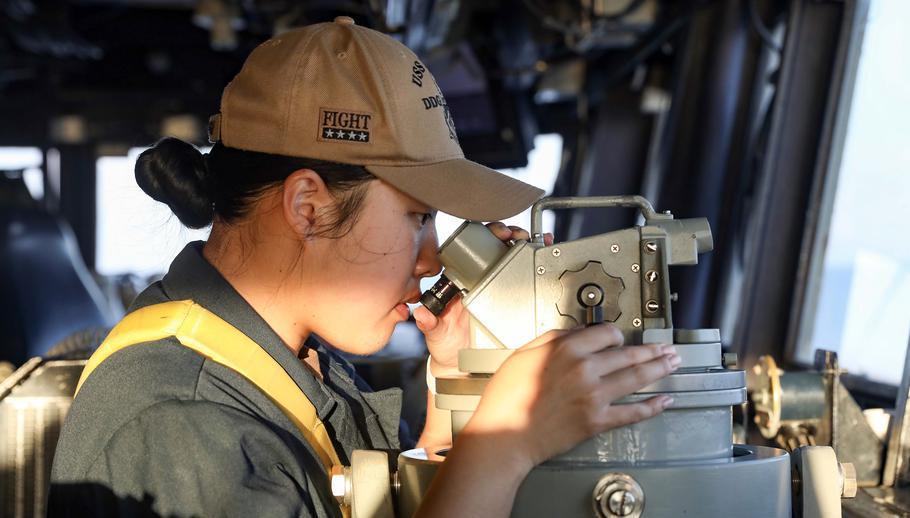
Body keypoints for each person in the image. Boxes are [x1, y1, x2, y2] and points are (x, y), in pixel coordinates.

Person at [48, 16, 680, 518]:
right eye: (416, 217)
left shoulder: (287, 360)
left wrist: (455, 391)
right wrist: (504, 444)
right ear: (308, 207)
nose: (432, 259)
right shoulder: (181, 427)